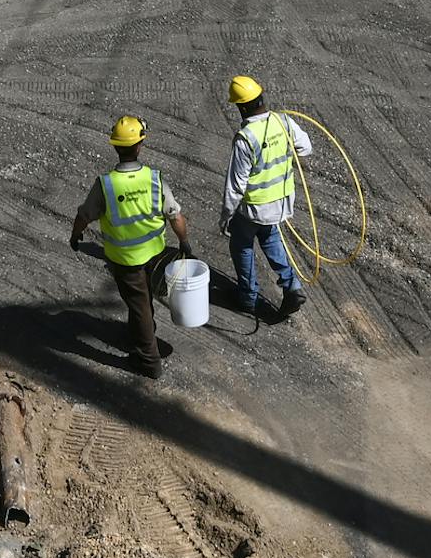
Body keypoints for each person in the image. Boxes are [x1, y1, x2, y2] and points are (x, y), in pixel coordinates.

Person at [69, 115, 191, 378]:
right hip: (155, 255)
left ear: (115, 147)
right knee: (144, 302)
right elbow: (175, 216)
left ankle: (149, 361)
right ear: (139, 146)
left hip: (125, 261)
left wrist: (76, 235)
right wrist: (184, 241)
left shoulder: (107, 185)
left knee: (139, 307)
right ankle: (145, 333)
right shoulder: (155, 179)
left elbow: (84, 216)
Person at [219, 75, 312, 321]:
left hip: (253, 208)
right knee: (270, 239)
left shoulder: (246, 138)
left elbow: (236, 186)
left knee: (241, 246)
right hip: (280, 204)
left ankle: (248, 298)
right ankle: (291, 286)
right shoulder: (284, 122)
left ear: (242, 107)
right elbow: (305, 148)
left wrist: (226, 216)